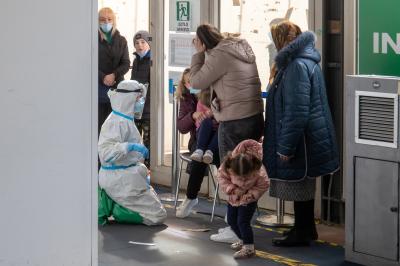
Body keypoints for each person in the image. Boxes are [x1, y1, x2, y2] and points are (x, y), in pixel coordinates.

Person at [263, 21, 339, 246]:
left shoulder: (296, 65)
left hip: (302, 140)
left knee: (300, 184)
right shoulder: (305, 60)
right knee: (303, 186)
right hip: (310, 137)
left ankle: (302, 232)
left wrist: (285, 147)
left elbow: (296, 111)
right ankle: (305, 228)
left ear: (280, 40)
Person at [190, 24, 264, 243]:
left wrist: (198, 55)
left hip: (234, 122)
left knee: (233, 175)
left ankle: (235, 228)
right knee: (249, 173)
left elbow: (195, 82)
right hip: (254, 118)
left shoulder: (219, 54)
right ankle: (240, 224)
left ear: (203, 42)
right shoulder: (241, 47)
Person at [98, 80, 167, 226]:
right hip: (118, 178)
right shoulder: (116, 122)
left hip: (127, 174)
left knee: (158, 212)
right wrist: (128, 147)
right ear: (128, 99)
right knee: (157, 216)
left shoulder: (125, 120)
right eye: (138, 99)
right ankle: (115, 206)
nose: (140, 102)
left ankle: (114, 201)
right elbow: (105, 153)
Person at [175, 70, 225, 221]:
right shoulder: (186, 99)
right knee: (199, 157)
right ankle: (191, 198)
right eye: (188, 82)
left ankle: (234, 206)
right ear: (184, 84)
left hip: (220, 139)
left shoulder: (214, 92)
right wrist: (192, 116)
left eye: (194, 81)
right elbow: (181, 127)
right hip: (198, 140)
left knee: (217, 156)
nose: (192, 85)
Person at [218, 139, 269, 259]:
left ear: (252, 170)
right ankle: (243, 239)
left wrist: (251, 194)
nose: (242, 181)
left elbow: (264, 184)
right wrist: (233, 189)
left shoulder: (258, 170)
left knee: (243, 222)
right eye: (238, 177)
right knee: (231, 220)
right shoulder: (227, 165)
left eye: (246, 177)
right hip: (233, 198)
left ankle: (249, 247)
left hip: (248, 200)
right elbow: (221, 178)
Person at [98, 7, 130, 135]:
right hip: (99, 89)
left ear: (114, 21)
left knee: (115, 129)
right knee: (99, 126)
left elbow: (126, 63)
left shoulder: (121, 40)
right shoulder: (92, 39)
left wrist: (114, 75)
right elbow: (88, 63)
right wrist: (103, 77)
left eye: (109, 19)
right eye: (102, 19)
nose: (106, 22)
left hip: (117, 88)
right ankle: (98, 155)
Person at [131, 30, 151, 166]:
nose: (140, 45)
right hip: (137, 109)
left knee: (149, 141)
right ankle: (137, 166)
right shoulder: (136, 60)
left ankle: (149, 168)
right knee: (135, 139)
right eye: (137, 43)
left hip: (148, 109)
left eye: (143, 42)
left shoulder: (153, 60)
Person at [189, 87, 219, 165]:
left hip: (216, 135)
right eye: (207, 106)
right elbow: (198, 124)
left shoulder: (219, 103)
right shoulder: (200, 103)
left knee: (222, 128)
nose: (209, 108)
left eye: (210, 106)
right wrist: (206, 115)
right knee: (206, 121)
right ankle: (199, 150)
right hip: (203, 132)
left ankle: (210, 151)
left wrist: (216, 115)